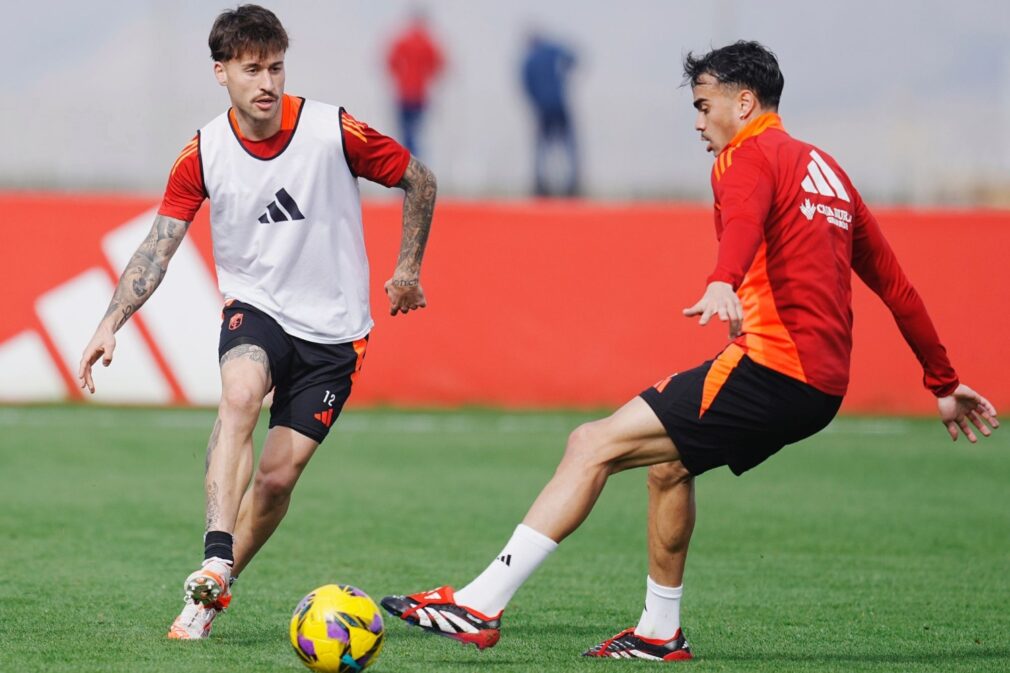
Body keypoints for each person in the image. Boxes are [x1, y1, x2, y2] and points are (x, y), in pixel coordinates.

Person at [380, 41, 999, 660]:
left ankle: (478, 604)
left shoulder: (744, 156)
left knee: (591, 445)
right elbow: (895, 284)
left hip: (774, 369)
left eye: (705, 106)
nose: (698, 123)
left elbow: (744, 224)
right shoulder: (828, 171)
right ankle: (658, 633)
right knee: (669, 466)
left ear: (745, 101)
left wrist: (721, 279)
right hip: (819, 387)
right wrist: (942, 383)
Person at [76, 4, 437, 641]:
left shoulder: (333, 129)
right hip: (258, 306)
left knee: (274, 481)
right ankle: (215, 554)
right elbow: (159, 244)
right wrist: (112, 320)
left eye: (275, 67)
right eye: (252, 70)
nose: (267, 82)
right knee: (239, 394)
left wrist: (406, 268)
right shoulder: (203, 152)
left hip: (335, 332)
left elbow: (420, 179)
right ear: (222, 73)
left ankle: (216, 591)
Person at [522, 32, 578, 197]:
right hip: (559, 104)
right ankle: (571, 184)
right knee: (567, 147)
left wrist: (536, 101)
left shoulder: (530, 60)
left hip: (543, 108)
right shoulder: (552, 50)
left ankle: (541, 185)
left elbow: (526, 85)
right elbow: (573, 58)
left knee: (543, 148)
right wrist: (563, 76)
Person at [386, 9, 444, 157]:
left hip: (404, 93)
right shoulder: (428, 42)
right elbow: (439, 64)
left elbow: (391, 62)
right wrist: (428, 77)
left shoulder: (403, 40)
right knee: (415, 131)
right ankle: (413, 159)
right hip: (419, 94)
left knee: (406, 130)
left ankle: (409, 160)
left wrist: (400, 76)